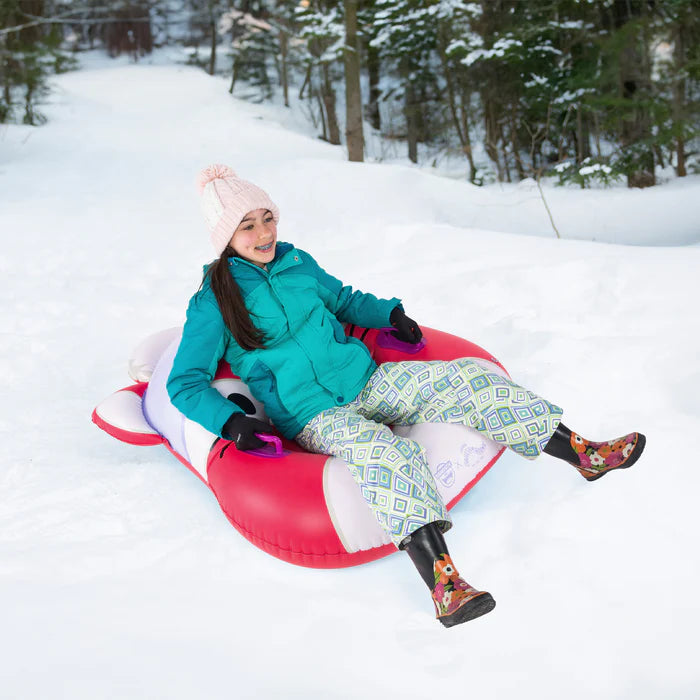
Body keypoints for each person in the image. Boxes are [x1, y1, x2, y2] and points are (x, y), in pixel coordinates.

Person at [167, 164, 646, 629]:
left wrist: (388, 314)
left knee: (465, 380)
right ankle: (445, 586)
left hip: (366, 379)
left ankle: (583, 454)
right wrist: (231, 423)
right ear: (225, 237)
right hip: (313, 414)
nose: (263, 232)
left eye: (267, 217)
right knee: (385, 451)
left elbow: (344, 301)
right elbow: (184, 382)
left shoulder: (296, 261)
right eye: (247, 226)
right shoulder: (214, 298)